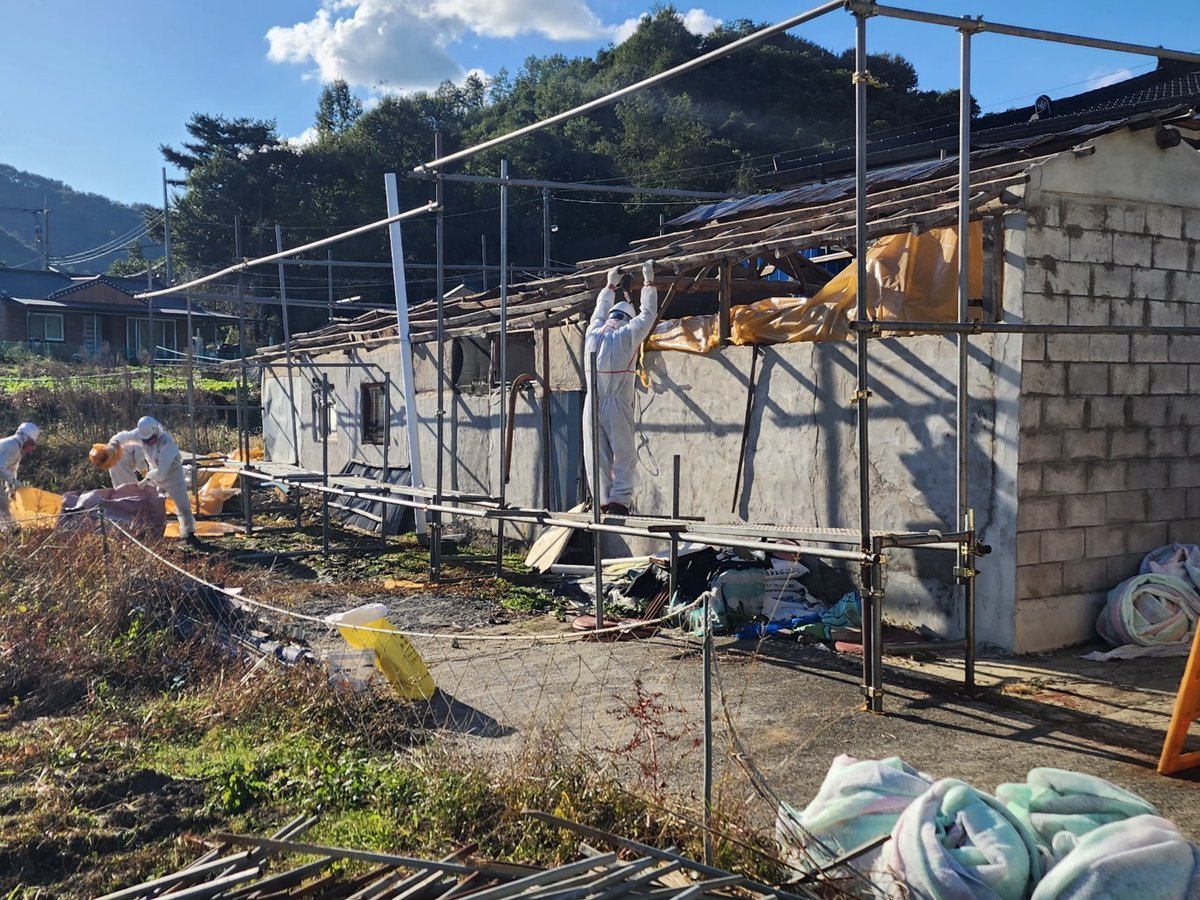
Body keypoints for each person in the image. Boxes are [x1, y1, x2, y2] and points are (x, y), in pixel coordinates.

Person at [583, 259, 659, 516]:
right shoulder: (627, 334)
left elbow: (598, 311)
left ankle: (602, 500)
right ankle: (619, 502)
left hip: (592, 400)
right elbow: (648, 315)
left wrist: (609, 286)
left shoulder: (593, 332)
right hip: (616, 402)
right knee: (624, 453)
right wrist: (648, 282)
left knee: (596, 453)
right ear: (627, 318)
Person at [107, 416, 200, 547]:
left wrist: (147, 479)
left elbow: (162, 471)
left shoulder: (167, 443)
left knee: (182, 504)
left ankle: (189, 534)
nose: (148, 442)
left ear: (156, 431)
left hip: (172, 474)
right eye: (145, 440)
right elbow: (124, 436)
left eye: (150, 439)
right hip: (153, 472)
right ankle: (148, 531)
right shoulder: (141, 435)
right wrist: (113, 444)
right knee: (149, 500)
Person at [0, 422, 39, 529]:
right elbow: (1, 467)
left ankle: (8, 527)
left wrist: (12, 488)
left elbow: (11, 470)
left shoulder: (16, 449)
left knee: (5, 499)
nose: (32, 446)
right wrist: (13, 482)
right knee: (2, 500)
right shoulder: (11, 446)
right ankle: (9, 528)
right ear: (25, 437)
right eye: (31, 442)